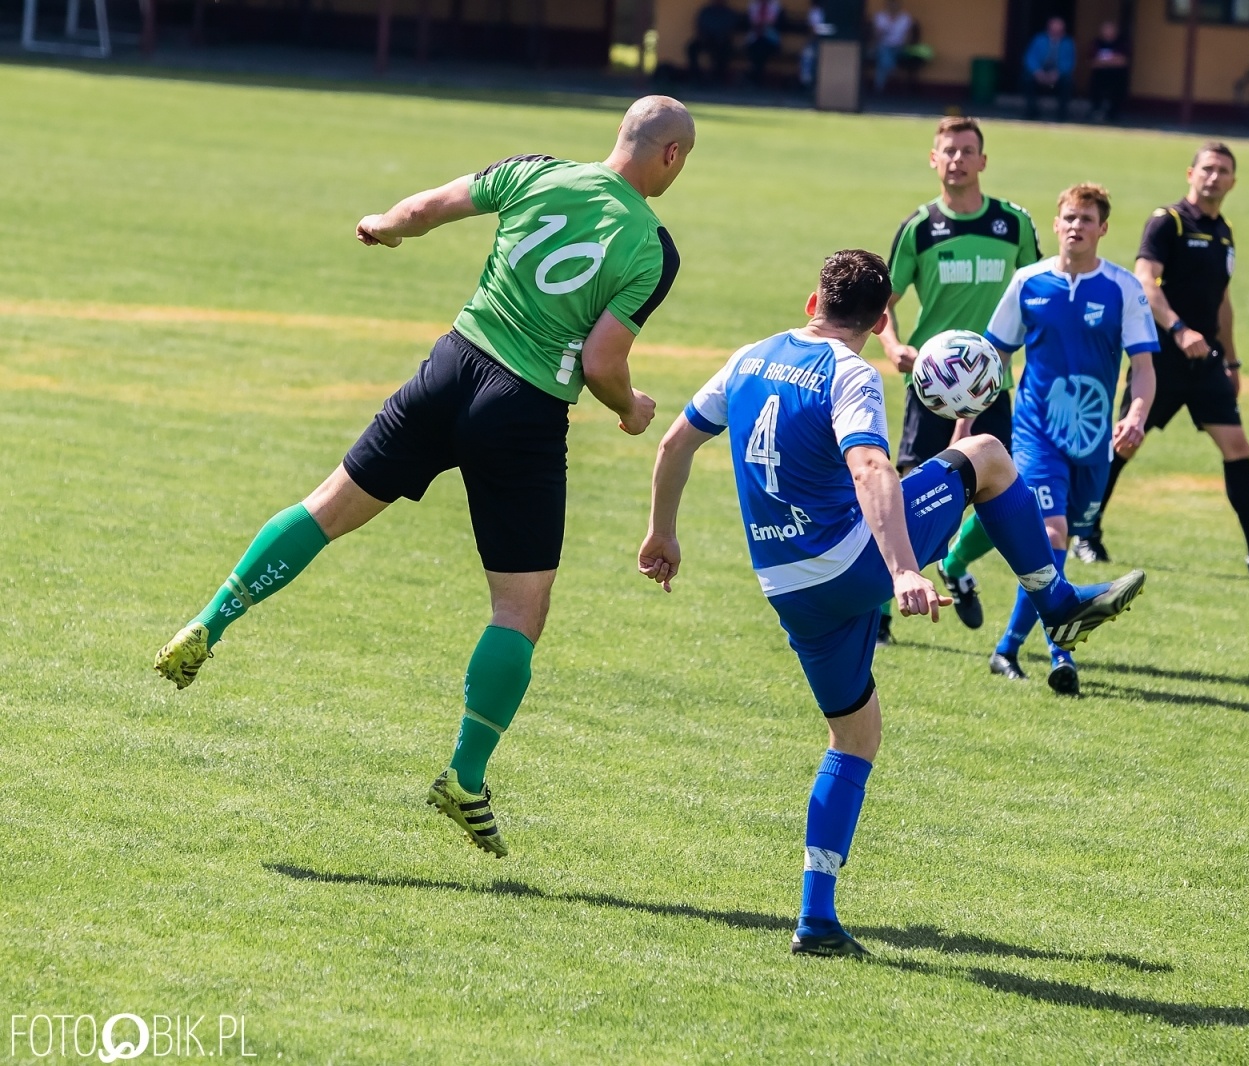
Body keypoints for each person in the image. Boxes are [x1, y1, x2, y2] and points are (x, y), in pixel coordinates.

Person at [152, 97, 695, 858]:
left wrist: (382, 225)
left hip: (451, 367)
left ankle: (210, 621)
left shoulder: (535, 172)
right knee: (520, 606)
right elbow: (604, 362)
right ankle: (465, 777)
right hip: (526, 409)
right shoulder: (652, 247)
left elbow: (425, 207)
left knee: (328, 506)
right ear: (669, 157)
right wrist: (631, 408)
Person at [637, 249, 1146, 957]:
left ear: (813, 301)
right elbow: (872, 466)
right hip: (851, 563)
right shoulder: (851, 374)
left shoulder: (750, 357)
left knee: (855, 735)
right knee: (992, 456)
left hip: (785, 586)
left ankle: (817, 917)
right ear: (881, 318)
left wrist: (662, 533)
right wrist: (904, 569)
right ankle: (1054, 600)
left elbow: (675, 442)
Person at [1083, 142, 1249, 580]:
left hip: (1205, 362)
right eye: (1207, 168)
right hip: (1162, 358)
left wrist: (1232, 361)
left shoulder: (1224, 231)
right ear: (1190, 173)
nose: (1214, 176)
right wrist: (1178, 329)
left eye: (1223, 171)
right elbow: (1145, 282)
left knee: (1237, 447)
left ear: (1233, 182)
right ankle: (1086, 530)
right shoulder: (1166, 222)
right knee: (1124, 443)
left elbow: (1223, 301)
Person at [983, 184, 1158, 695]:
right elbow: (995, 358)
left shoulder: (1123, 289)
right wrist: (966, 418)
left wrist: (1137, 415)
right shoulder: (1028, 282)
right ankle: (1061, 652)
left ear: (1103, 229)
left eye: (1087, 218)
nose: (1076, 226)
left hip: (1095, 439)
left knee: (1060, 540)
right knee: (1053, 533)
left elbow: (1143, 367)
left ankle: (1007, 648)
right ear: (1055, 225)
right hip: (1036, 431)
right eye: (1068, 217)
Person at [878, 116, 1042, 642]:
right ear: (934, 159)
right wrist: (894, 345)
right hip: (931, 388)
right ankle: (879, 613)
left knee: (1003, 491)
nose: (957, 159)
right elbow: (882, 303)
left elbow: (1040, 293)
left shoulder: (1014, 224)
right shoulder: (920, 227)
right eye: (948, 150)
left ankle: (957, 563)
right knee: (907, 497)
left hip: (993, 385)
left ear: (983, 161)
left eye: (967, 150)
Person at [1022, 17, 1075, 122]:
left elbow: (1069, 62)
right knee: (1027, 79)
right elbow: (1030, 57)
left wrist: (1057, 73)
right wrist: (1037, 72)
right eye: (1053, 29)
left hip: (1058, 74)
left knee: (1068, 81)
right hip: (1040, 72)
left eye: (1058, 30)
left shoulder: (1068, 43)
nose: (1055, 32)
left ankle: (1062, 114)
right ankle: (1032, 111)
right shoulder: (1038, 39)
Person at [687, 0, 740, 85]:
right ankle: (695, 76)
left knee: (723, 51)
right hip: (706, 39)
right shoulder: (706, 11)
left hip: (722, 41)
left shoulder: (729, 12)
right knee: (691, 48)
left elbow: (731, 29)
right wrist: (703, 37)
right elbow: (699, 26)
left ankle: (717, 78)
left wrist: (721, 37)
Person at [1087, 20, 1130, 122]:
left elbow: (1123, 62)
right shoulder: (1096, 43)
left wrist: (1103, 61)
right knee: (1095, 84)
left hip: (1117, 75)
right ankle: (1096, 111)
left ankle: (1113, 114)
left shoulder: (1122, 43)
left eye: (1110, 29)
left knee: (1119, 85)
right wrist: (1112, 59)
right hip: (1100, 75)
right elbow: (1092, 63)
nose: (1108, 32)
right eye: (1106, 29)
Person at [872, 0, 915, 94]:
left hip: (900, 47)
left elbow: (909, 35)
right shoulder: (881, 17)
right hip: (884, 45)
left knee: (883, 59)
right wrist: (882, 32)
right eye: (891, 4)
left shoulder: (905, 18)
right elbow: (876, 36)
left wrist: (904, 44)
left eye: (895, 4)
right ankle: (892, 70)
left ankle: (879, 88)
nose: (893, 6)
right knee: (884, 52)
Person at [746, 0, 784, 86]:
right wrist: (759, 27)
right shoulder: (753, 4)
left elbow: (775, 22)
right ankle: (756, 77)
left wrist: (763, 26)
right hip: (755, 36)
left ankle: (755, 77)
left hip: (771, 37)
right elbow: (752, 22)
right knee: (756, 46)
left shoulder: (776, 5)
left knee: (762, 47)